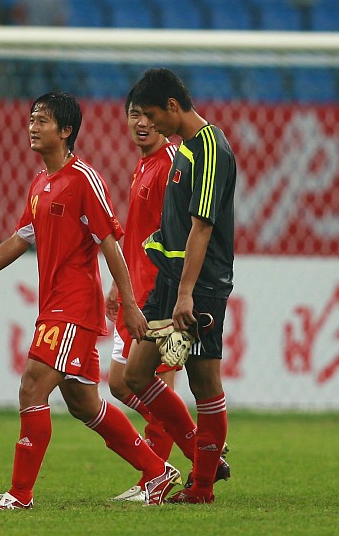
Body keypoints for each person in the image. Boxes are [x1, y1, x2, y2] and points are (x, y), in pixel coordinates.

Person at [0, 92, 180, 510]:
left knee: (32, 384)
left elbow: (110, 243)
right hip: (54, 305)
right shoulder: (40, 183)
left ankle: (19, 494)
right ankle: (157, 471)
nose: (33, 127)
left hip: (73, 307)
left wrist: (129, 302)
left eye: (42, 120)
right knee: (83, 403)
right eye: (32, 119)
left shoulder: (83, 178)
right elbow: (20, 240)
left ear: (66, 130)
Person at [123, 68, 237, 505]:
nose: (148, 123)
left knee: (203, 381)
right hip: (171, 280)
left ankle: (202, 487)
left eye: (152, 114)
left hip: (200, 285)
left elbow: (202, 227)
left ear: (173, 106)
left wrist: (187, 293)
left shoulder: (211, 149)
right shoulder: (185, 148)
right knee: (135, 373)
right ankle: (203, 456)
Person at [105, 88, 180, 503]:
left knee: (153, 381)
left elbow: (179, 232)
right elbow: (137, 232)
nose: (141, 122)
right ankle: (187, 434)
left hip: (160, 292)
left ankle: (156, 478)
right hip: (137, 288)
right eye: (134, 113)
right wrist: (121, 282)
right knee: (120, 383)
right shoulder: (144, 166)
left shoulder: (170, 165)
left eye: (148, 114)